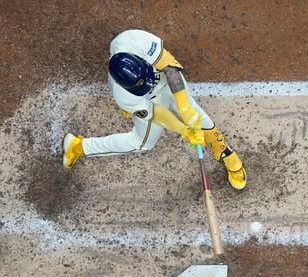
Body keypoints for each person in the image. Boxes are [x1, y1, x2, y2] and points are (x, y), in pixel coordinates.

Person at [62, 29, 247, 190]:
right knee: (142, 143)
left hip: (166, 78)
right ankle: (79, 147)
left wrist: (183, 107)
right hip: (148, 100)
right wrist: (184, 130)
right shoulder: (124, 96)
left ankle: (226, 153)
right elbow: (157, 114)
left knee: (196, 113)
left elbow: (170, 68)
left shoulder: (135, 40)